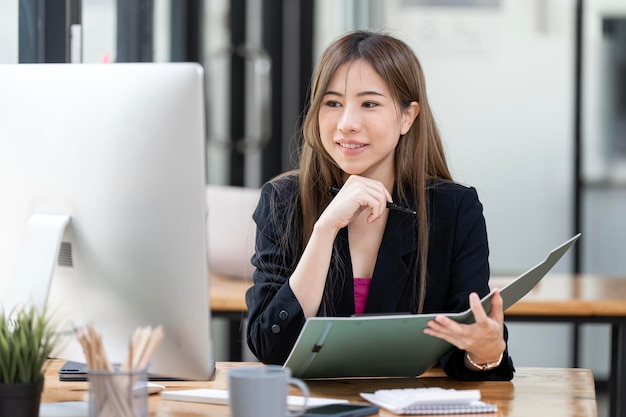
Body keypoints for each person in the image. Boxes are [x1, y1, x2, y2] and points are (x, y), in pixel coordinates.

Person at [245, 30, 514, 381]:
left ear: (407, 116)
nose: (347, 124)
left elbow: (465, 343)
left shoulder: (454, 209)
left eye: (369, 103)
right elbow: (270, 346)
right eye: (332, 103)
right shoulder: (283, 200)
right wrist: (324, 230)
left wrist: (487, 353)